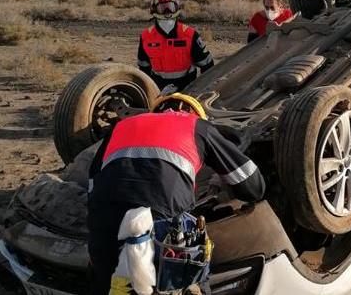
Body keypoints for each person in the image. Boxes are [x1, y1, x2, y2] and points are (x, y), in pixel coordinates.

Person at [87, 93, 265, 295]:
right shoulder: (197, 126)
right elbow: (253, 186)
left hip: (101, 222)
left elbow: (92, 181)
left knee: (108, 284)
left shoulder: (122, 126)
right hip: (160, 225)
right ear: (194, 113)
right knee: (182, 280)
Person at [138, 0, 214, 92]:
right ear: (154, 10)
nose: (167, 11)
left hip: (187, 90)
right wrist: (151, 91)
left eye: (170, 7)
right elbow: (143, 69)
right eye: (162, 8)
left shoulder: (190, 35)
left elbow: (207, 65)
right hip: (159, 91)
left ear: (177, 8)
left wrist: (199, 90)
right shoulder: (146, 37)